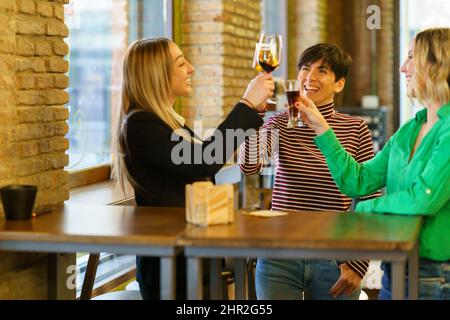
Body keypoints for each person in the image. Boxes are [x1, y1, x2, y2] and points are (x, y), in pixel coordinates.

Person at [112, 37, 275, 299]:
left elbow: (203, 162)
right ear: (157, 74)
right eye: (180, 63)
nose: (191, 68)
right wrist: (245, 104)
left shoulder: (165, 122)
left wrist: (252, 111)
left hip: (188, 256)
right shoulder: (141, 124)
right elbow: (206, 159)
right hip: (169, 266)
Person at [296, 28, 450, 300]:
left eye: (412, 57)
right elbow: (358, 181)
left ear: (437, 65)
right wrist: (322, 128)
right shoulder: (409, 130)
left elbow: (424, 199)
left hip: (436, 275)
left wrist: (364, 210)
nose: (403, 67)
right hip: (397, 267)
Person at [239, 43, 380, 300]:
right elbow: (250, 165)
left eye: (322, 70)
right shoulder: (279, 122)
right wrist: (253, 114)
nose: (310, 77)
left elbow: (370, 197)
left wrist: (358, 263)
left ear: (339, 84)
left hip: (335, 259)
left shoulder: (356, 128)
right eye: (305, 68)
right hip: (279, 256)